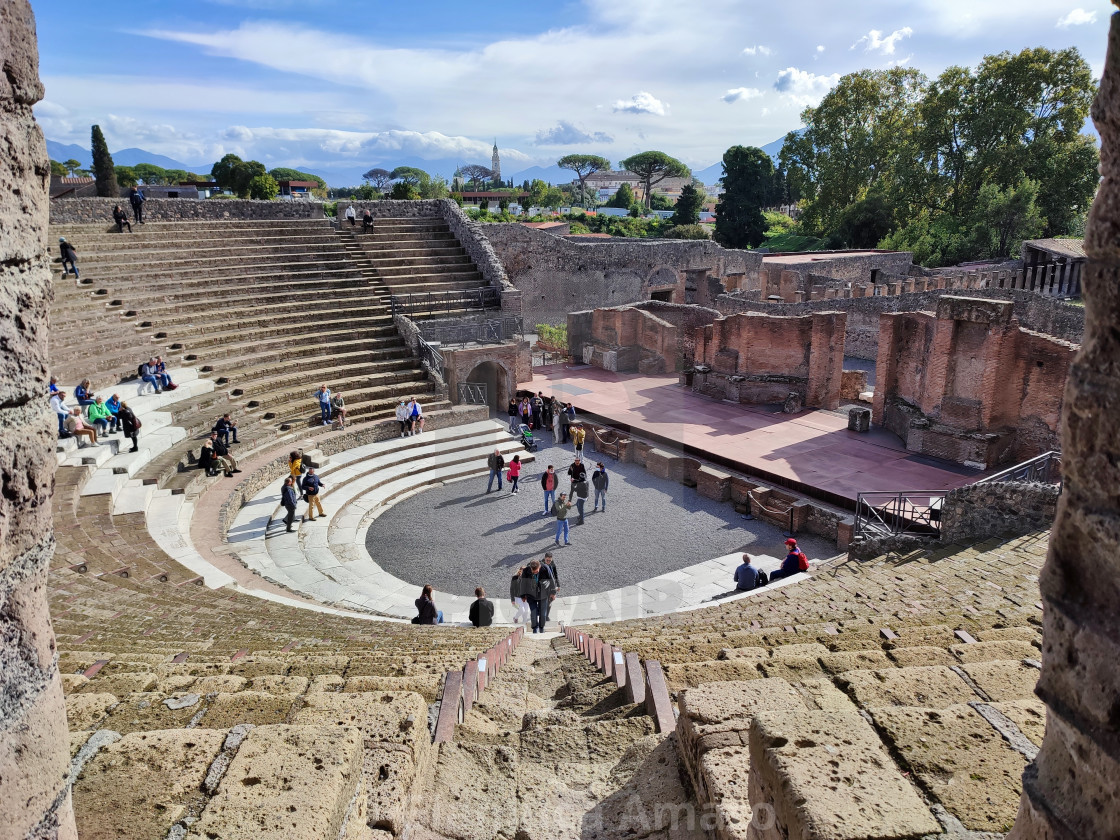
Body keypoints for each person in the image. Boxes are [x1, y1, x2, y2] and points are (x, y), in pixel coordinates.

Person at [519, 559, 557, 633]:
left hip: (543, 594)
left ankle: (541, 628)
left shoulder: (545, 568)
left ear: (539, 567)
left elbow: (552, 580)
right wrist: (523, 596)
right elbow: (523, 584)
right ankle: (535, 628)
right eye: (533, 572)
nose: (534, 573)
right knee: (533, 612)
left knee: (543, 613)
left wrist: (553, 592)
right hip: (531, 595)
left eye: (536, 571)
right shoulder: (526, 571)